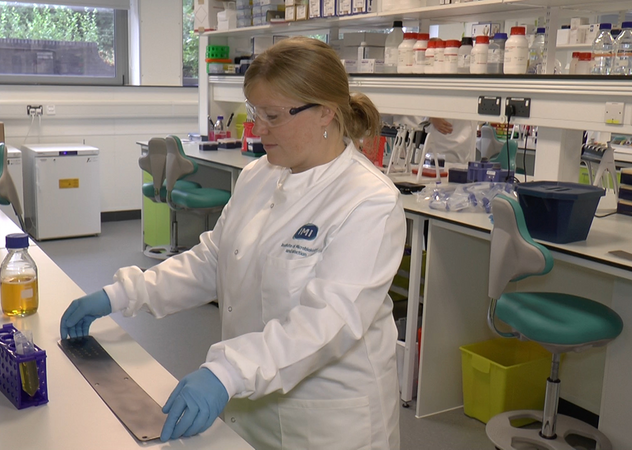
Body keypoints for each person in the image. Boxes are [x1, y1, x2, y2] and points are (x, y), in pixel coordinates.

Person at [60, 36, 406, 449]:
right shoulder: (259, 174)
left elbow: (326, 324)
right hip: (247, 403)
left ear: (325, 113)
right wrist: (121, 294)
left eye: (273, 115)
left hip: (325, 422)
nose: (257, 129)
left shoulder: (369, 202)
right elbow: (211, 261)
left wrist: (227, 372)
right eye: (256, 112)